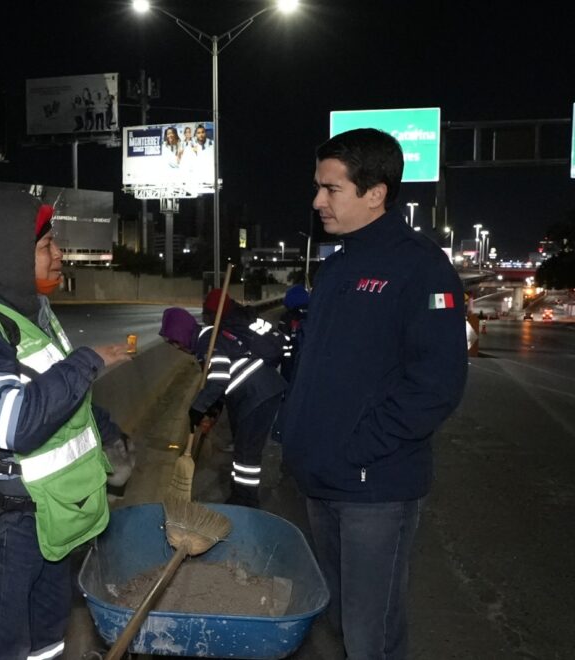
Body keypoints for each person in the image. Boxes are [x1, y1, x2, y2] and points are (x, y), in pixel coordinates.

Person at [277, 128, 467, 659]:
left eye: (331, 189)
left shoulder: (421, 267)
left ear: (376, 193)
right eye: (319, 187)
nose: (318, 201)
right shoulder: (336, 267)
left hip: (373, 487)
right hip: (320, 481)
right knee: (337, 620)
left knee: (371, 635)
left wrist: (359, 449)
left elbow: (437, 385)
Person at [0, 188, 133, 660]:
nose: (59, 254)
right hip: (9, 522)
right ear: (7, 255)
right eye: (46, 245)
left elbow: (62, 401)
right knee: (1, 648)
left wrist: (107, 435)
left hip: (50, 514)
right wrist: (86, 362)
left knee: (47, 642)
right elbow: (13, 423)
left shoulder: (32, 316)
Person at [159, 307, 286, 507]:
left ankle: (247, 502)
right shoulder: (207, 339)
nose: (177, 347)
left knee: (247, 453)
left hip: (258, 395)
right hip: (251, 395)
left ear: (182, 333)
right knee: (242, 449)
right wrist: (210, 413)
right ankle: (239, 494)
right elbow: (219, 385)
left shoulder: (207, 342)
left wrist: (197, 408)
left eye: (175, 341)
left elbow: (219, 378)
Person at [277, 284, 310, 382]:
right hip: (309, 359)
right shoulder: (314, 314)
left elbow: (281, 341)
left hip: (290, 361)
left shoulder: (286, 317)